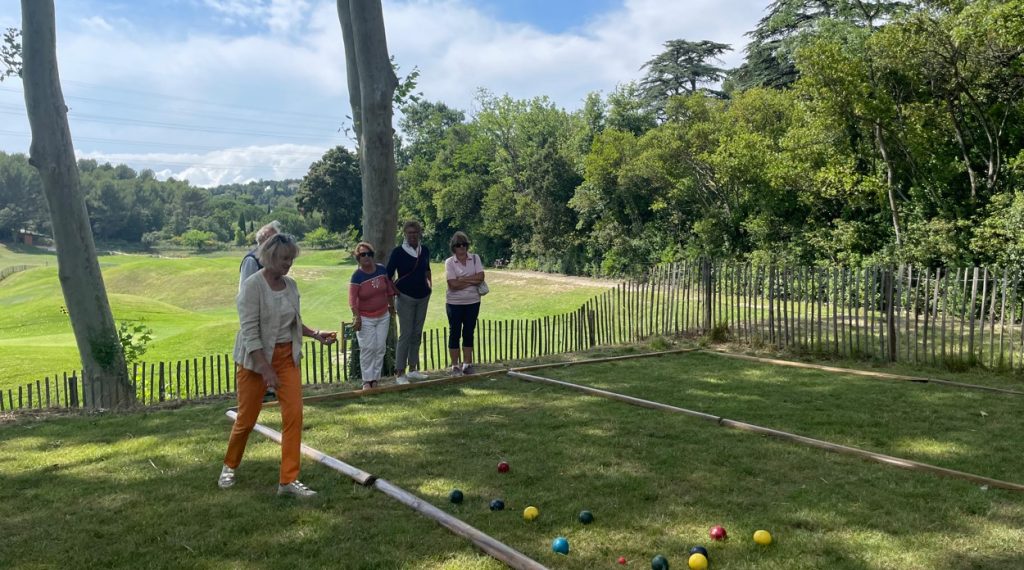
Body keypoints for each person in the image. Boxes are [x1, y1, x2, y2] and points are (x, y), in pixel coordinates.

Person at [218, 233, 336, 498]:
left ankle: (288, 481)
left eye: (291, 259)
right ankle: (230, 465)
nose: (288, 264)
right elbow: (250, 333)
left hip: (287, 359)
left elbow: (294, 321)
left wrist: (316, 334)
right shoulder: (252, 287)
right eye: (284, 259)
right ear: (269, 257)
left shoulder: (291, 285)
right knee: (246, 420)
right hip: (254, 361)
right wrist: (265, 368)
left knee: (294, 416)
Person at [239, 220, 283, 402]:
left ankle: (270, 388)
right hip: (257, 316)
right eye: (274, 239)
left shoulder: (273, 262)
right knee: (259, 351)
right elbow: (246, 291)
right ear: (265, 240)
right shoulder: (252, 260)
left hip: (272, 316)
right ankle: (261, 390)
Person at [386, 221, 432, 385]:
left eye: (415, 232)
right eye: (409, 233)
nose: (413, 235)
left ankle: (413, 369)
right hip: (405, 297)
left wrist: (429, 286)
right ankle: (400, 372)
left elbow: (427, 269)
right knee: (406, 334)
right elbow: (388, 275)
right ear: (405, 234)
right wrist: (394, 292)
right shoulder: (398, 252)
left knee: (417, 333)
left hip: (423, 297)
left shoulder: (424, 250)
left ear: (419, 233)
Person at [349, 241, 397, 390]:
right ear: (358, 258)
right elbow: (352, 300)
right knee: (368, 348)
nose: (367, 257)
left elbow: (389, 290)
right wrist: (357, 317)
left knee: (380, 347)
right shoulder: (357, 276)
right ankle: (366, 380)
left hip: (383, 315)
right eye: (363, 254)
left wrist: (391, 307)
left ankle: (375, 379)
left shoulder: (381, 270)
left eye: (369, 254)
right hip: (365, 317)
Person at [444, 231, 485, 376]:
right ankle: (455, 365)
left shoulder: (475, 258)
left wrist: (462, 279)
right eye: (458, 245)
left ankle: (467, 364)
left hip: (473, 302)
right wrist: (470, 280)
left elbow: (480, 277)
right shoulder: (449, 262)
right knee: (454, 333)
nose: (461, 247)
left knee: (469, 332)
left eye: (464, 244)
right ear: (453, 247)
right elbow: (452, 285)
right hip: (454, 303)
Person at [239, 220, 282, 293]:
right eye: (274, 239)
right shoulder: (251, 260)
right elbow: (245, 289)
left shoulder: (271, 258)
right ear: (265, 238)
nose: (277, 243)